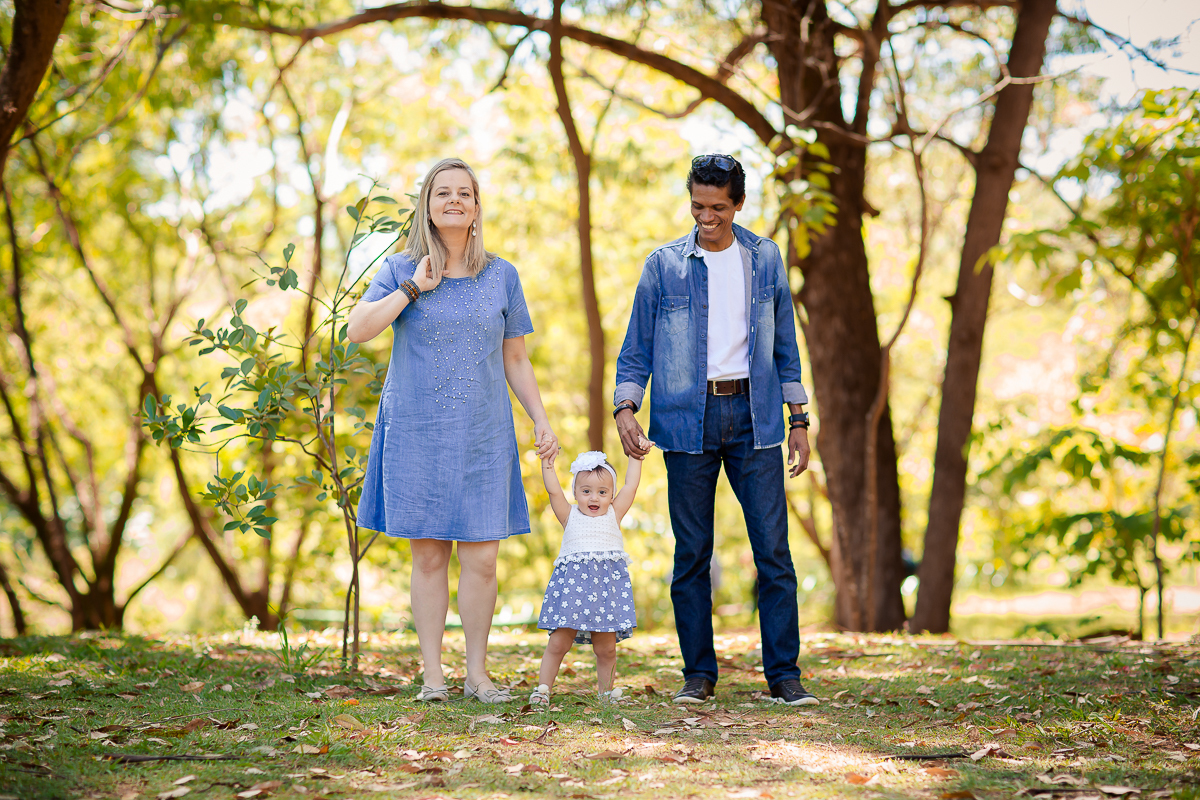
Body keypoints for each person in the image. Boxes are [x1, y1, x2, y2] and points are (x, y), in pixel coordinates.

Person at [347, 157, 557, 704]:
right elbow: (358, 331)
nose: (455, 201)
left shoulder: (502, 275)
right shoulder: (399, 268)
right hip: (418, 429)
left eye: (465, 193)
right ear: (428, 203)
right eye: (444, 192)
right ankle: (433, 677)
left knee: (483, 558)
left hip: (485, 433)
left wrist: (541, 419)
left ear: (476, 206)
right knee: (429, 556)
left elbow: (516, 359)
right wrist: (413, 290)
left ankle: (478, 675)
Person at [612, 153, 818, 706]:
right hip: (685, 422)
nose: (707, 217)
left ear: (739, 204)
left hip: (756, 418)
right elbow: (636, 349)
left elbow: (785, 348)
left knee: (774, 552)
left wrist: (799, 419)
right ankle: (698, 675)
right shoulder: (663, 266)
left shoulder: (764, 258)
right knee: (692, 555)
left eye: (719, 208)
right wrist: (626, 408)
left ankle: (784, 676)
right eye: (699, 206)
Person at [528, 449, 642, 706]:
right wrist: (548, 464)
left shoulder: (615, 514)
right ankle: (543, 689)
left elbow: (631, 485)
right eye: (586, 491)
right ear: (576, 492)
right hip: (573, 592)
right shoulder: (569, 516)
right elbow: (554, 491)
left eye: (602, 492)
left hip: (607, 595)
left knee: (607, 649)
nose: (594, 497)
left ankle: (605, 695)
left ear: (611, 495)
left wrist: (636, 457)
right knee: (559, 642)